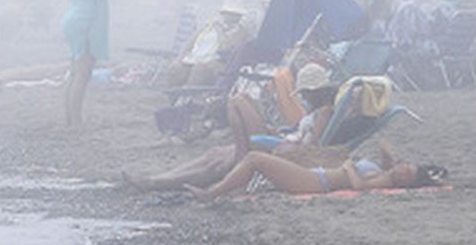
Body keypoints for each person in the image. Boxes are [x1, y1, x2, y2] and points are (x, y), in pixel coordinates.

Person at [123, 63, 338, 191]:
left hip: (285, 154)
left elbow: (313, 150)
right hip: (280, 143)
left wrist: (286, 141)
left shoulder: (325, 112)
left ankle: (239, 160)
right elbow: (301, 136)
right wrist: (282, 134)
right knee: (215, 155)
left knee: (239, 101)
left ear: (314, 92)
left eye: (306, 93)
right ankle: (158, 180)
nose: (304, 97)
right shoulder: (315, 112)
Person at [187, 139, 447, 202]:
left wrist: (348, 167)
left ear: (405, 181)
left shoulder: (386, 180)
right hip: (316, 176)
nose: (402, 168)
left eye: (407, 171)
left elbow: (358, 186)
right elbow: (384, 145)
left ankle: (212, 193)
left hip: (315, 182)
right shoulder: (388, 171)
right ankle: (219, 189)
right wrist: (394, 159)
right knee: (260, 157)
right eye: (406, 166)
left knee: (256, 158)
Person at [62, 0, 112, 129]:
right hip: (85, 22)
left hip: (76, 17)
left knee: (75, 71)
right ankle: (76, 121)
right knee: (82, 73)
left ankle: (70, 119)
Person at [161, 0, 253, 88]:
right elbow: (191, 42)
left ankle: (187, 96)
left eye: (233, 14)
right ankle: (173, 98)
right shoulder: (209, 27)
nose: (229, 16)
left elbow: (227, 48)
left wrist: (220, 32)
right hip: (195, 59)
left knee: (200, 69)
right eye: (227, 13)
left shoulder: (242, 33)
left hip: (220, 64)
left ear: (239, 16)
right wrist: (180, 58)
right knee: (176, 68)